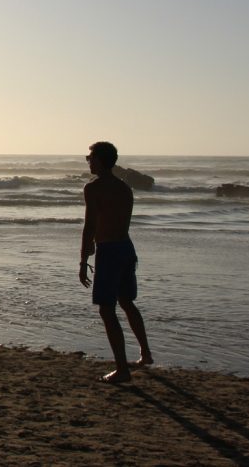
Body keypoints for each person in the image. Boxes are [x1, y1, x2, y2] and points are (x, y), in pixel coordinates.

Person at [79, 141, 153, 384]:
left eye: (90, 157)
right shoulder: (124, 187)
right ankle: (145, 353)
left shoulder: (94, 188)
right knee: (127, 302)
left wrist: (83, 260)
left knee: (106, 309)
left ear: (100, 159)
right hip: (126, 248)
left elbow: (90, 225)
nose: (87, 160)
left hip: (109, 251)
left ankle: (122, 369)